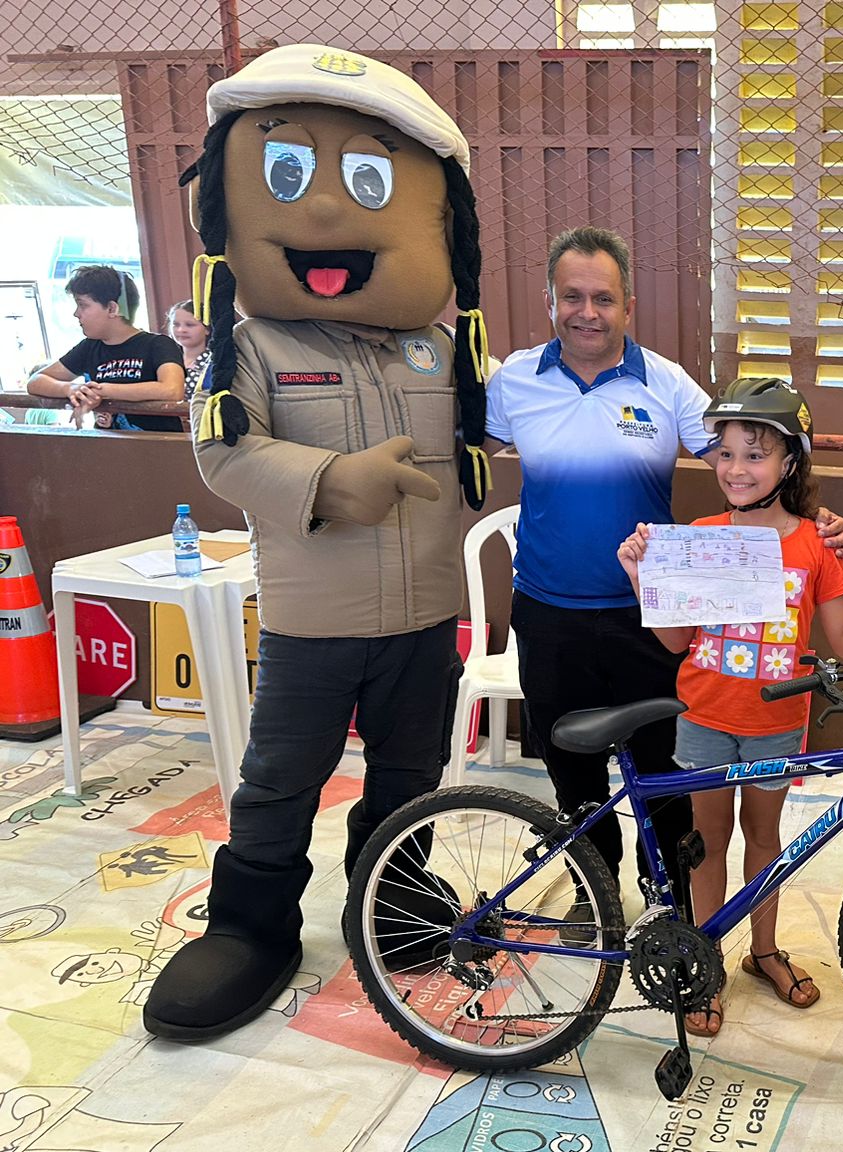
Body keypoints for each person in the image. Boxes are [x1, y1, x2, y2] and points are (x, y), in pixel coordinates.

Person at [141, 44, 490, 1041]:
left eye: (370, 180)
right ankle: (250, 928)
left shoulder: (439, 348)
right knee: (282, 775)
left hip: (424, 615)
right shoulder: (251, 347)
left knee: (409, 772)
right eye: (288, 176)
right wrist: (333, 483)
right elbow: (223, 454)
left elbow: (523, 412)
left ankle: (391, 896)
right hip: (312, 619)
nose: (328, 212)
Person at [483, 226, 843, 917]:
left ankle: (675, 907)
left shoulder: (667, 384)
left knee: (666, 772)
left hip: (648, 619)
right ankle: (596, 898)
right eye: (572, 297)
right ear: (549, 300)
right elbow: (464, 447)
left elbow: (752, 463)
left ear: (629, 305)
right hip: (548, 610)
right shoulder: (513, 384)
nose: (587, 312)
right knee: (574, 773)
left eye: (603, 298)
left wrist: (815, 523)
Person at [617, 379, 843, 1036]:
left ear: (791, 461)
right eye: (725, 454)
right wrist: (642, 578)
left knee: (765, 838)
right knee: (709, 846)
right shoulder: (700, 536)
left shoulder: (818, 543)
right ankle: (705, 961)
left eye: (754, 455)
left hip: (776, 721)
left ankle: (763, 951)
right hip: (703, 713)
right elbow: (677, 642)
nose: (736, 469)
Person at [26, 265, 183, 431]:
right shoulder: (88, 347)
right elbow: (36, 381)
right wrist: (72, 388)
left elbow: (172, 389)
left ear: (112, 308)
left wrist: (102, 390)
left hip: (160, 449)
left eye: (83, 305)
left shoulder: (159, 344)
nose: (77, 313)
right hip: (107, 447)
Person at [167, 300, 212, 403]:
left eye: (190, 325)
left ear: (207, 329)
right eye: (176, 324)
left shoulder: (212, 361)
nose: (181, 330)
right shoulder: (166, 358)